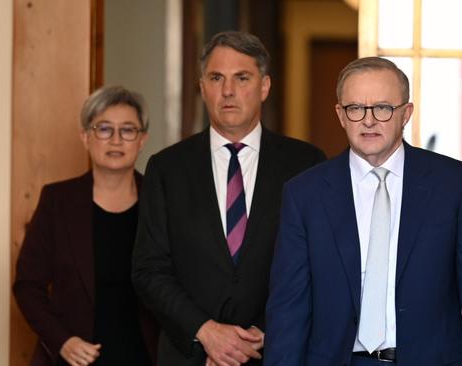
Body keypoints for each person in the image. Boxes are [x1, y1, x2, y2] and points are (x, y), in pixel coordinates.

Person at [264, 57, 462, 366]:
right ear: (340, 115)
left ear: (406, 113)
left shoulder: (451, 185)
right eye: (355, 108)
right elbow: (288, 310)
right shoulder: (305, 194)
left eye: (383, 108)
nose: (369, 121)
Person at [131, 31, 326, 366]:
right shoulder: (166, 168)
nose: (228, 91)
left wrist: (267, 330)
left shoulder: (306, 164)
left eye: (242, 77)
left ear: (264, 87)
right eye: (216, 77)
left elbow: (319, 263)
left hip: (276, 353)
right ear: (202, 86)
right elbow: (149, 270)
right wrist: (205, 331)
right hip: (189, 355)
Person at [13, 86, 158, 366]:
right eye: (104, 129)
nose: (116, 140)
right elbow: (28, 286)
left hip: (145, 357)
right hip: (75, 358)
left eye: (128, 130)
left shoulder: (161, 201)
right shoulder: (58, 201)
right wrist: (62, 341)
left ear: (142, 140)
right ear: (85, 137)